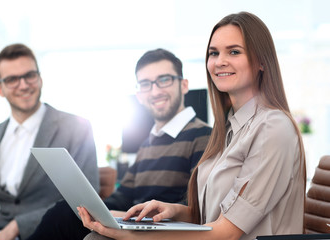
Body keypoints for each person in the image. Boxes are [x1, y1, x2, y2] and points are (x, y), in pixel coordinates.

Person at [79, 11, 306, 240]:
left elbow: (226, 233)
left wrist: (132, 236)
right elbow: (215, 216)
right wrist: (175, 211)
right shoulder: (230, 129)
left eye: (234, 51)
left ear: (262, 62)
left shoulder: (272, 128)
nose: (219, 61)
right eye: (213, 53)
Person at [26, 48, 212, 240]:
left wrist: (130, 218)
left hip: (159, 232)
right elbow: (123, 196)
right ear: (139, 94)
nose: (155, 91)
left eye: (164, 80)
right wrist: (94, 208)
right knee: (64, 212)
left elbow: (196, 208)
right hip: (134, 224)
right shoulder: (148, 144)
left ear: (184, 85)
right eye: (146, 84)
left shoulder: (205, 137)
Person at [0, 43, 99, 240]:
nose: (23, 85)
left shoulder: (76, 128)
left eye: (29, 75)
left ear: (39, 78)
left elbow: (85, 203)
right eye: (12, 79)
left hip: (48, 232)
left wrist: (17, 226)